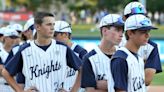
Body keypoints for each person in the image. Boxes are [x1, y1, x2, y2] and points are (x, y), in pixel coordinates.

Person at [1, 11, 82, 92]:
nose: (52, 28)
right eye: (48, 24)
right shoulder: (25, 50)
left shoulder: (63, 48)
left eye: (53, 24)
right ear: (38, 27)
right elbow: (6, 72)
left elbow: (82, 69)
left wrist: (73, 91)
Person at [119, 1, 162, 86]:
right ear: (124, 18)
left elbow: (147, 80)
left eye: (142, 16)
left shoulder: (151, 47)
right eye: (134, 17)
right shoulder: (115, 42)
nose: (138, 20)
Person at [111, 14, 158, 92]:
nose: (147, 35)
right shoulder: (121, 59)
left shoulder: (139, 58)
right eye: (143, 31)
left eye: (148, 31)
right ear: (130, 33)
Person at [81, 14, 124, 92]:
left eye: (122, 30)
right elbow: (90, 91)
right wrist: (117, 85)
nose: (121, 34)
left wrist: (107, 85)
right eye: (117, 30)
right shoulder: (89, 59)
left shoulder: (125, 55)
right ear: (104, 31)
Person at [54, 20, 88, 92]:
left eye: (54, 35)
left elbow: (88, 77)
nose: (52, 39)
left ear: (65, 34)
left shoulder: (81, 52)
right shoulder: (53, 50)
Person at [0, 27, 19, 92]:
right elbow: (1, 70)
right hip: (2, 84)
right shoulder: (0, 51)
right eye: (11, 37)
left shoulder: (18, 50)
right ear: (5, 38)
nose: (14, 39)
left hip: (15, 85)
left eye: (16, 37)